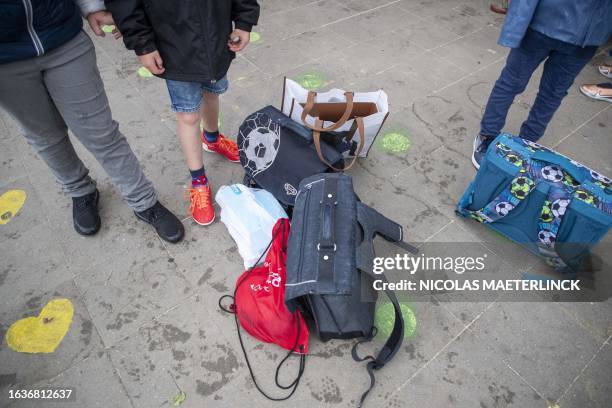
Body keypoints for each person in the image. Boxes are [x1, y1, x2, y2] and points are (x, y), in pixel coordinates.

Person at [0, 0, 184, 243]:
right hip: (6, 61)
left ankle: (143, 201)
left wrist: (91, 6)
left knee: (101, 132)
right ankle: (80, 190)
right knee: (45, 136)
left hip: (62, 37)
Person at [105, 0, 260, 226]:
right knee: (188, 114)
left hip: (216, 37)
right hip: (173, 43)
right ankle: (198, 181)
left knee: (212, 94)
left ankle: (212, 138)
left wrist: (244, 21)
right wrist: (142, 43)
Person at [472, 0, 612, 169]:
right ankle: (488, 135)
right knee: (512, 83)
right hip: (544, 23)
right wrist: (514, 27)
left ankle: (527, 143)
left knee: (552, 94)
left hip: (589, 33)